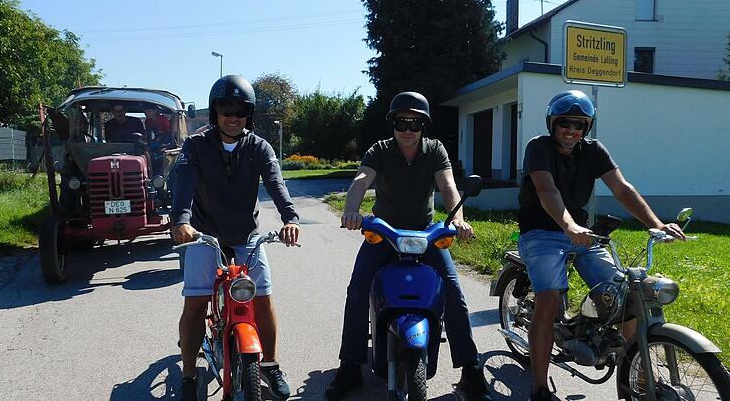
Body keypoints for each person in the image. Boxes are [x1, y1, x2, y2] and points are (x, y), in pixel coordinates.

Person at [518, 90, 686, 401]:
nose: (572, 131)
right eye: (565, 123)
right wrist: (568, 226)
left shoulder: (594, 151)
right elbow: (546, 189)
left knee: (627, 299)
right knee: (548, 301)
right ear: (552, 124)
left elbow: (622, 187)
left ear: (587, 127)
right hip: (541, 232)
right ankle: (539, 388)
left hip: (584, 233)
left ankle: (638, 379)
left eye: (580, 125)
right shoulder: (538, 147)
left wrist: (655, 224)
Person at [324, 92, 492, 401]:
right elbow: (361, 179)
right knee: (358, 289)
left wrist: (459, 220)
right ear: (392, 123)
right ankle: (350, 366)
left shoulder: (435, 150)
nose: (407, 129)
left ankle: (470, 369)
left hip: (425, 234)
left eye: (415, 123)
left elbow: (448, 186)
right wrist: (352, 210)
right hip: (383, 233)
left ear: (424, 125)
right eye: (401, 122)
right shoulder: (380, 151)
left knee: (453, 291)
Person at [169, 75, 300, 401]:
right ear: (214, 112)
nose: (232, 116)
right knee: (196, 303)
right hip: (203, 236)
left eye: (240, 110)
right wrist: (181, 222)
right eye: (225, 109)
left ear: (249, 114)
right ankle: (188, 374)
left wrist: (291, 219)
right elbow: (184, 183)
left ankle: (269, 364)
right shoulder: (196, 145)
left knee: (264, 299)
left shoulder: (259, 147)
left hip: (247, 238)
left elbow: (276, 184)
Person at [143, 106, 172, 175]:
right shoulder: (147, 121)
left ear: (155, 111)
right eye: (145, 113)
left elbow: (168, 133)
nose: (147, 114)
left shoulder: (162, 119)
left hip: (165, 140)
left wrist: (161, 140)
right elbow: (149, 133)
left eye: (149, 112)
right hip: (154, 141)